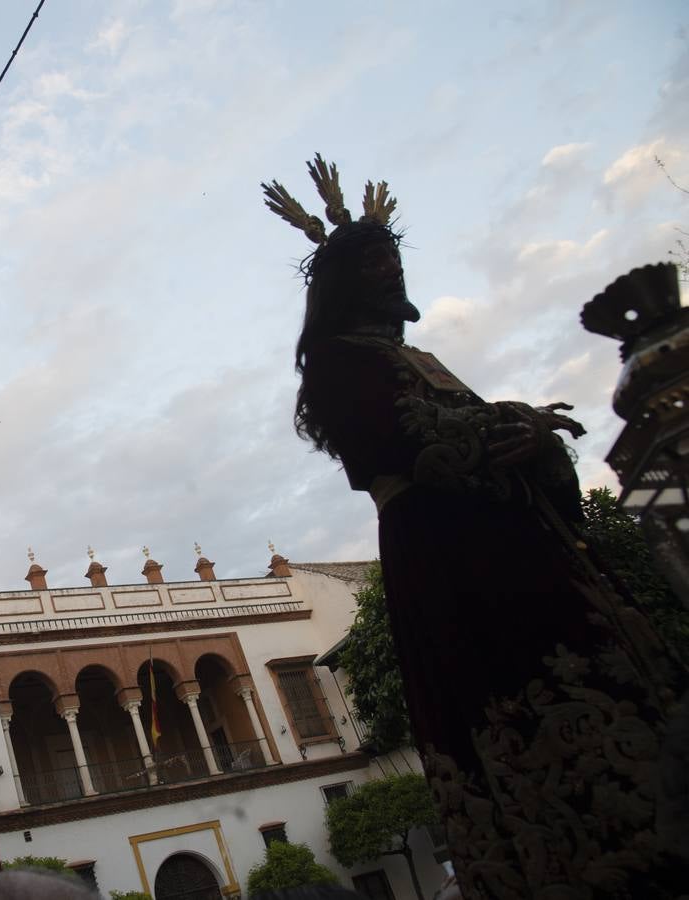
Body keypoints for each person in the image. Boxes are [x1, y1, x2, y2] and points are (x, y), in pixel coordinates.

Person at [262, 157, 687, 899]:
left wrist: (536, 441)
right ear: (347, 282)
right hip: (449, 554)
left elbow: (472, 424)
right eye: (375, 264)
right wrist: (495, 433)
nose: (391, 276)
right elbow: (392, 442)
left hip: (523, 540)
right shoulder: (333, 361)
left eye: (394, 260)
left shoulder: (417, 356)